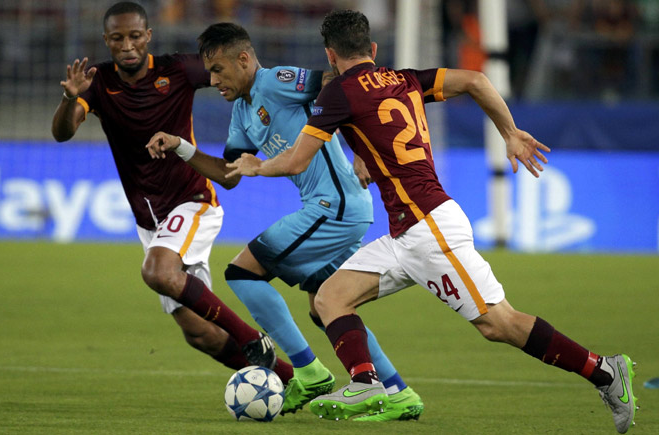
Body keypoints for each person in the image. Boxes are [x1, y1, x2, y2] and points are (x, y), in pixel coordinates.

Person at [225, 9, 638, 433]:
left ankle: (604, 371)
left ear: (330, 55)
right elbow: (477, 81)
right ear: (373, 49)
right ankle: (366, 382)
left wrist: (258, 167)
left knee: (499, 324)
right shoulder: (406, 79)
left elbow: (296, 160)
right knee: (330, 297)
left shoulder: (339, 95)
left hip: (430, 228)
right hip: (407, 233)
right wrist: (510, 132)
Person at [145, 22, 424, 420]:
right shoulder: (242, 113)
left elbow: (339, 81)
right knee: (327, 304)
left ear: (244, 59)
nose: (213, 80)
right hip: (332, 206)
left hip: (334, 203)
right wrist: (181, 147)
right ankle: (399, 390)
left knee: (242, 273)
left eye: (219, 69)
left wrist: (363, 144)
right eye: (209, 72)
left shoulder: (276, 81)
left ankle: (309, 373)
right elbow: (229, 174)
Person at [50, 1, 293, 384]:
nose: (127, 45)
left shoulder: (176, 70)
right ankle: (286, 379)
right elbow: (63, 133)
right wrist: (69, 98)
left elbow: (232, 73)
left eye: (134, 36)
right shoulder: (97, 84)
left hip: (191, 200)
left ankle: (252, 339)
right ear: (106, 41)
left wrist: (260, 112)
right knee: (201, 333)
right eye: (117, 38)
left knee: (158, 271)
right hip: (150, 220)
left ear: (148, 36)